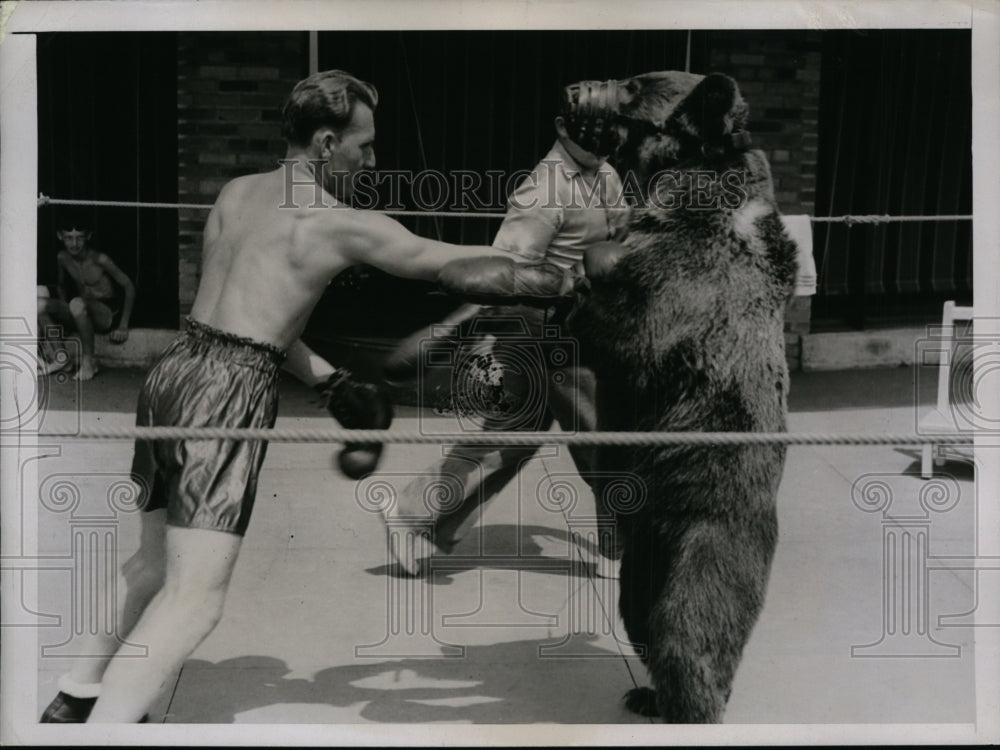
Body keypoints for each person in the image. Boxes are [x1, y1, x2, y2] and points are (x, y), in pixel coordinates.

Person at [38, 69, 520, 724]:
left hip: (173, 375)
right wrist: (561, 273)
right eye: (364, 145)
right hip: (224, 398)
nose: (371, 161)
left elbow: (245, 319)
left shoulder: (236, 193)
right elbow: (443, 260)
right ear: (326, 143)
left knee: (152, 562)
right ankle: (106, 732)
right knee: (196, 599)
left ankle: (76, 694)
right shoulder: (335, 222)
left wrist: (328, 380)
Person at [381, 79, 631, 577]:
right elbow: (509, 270)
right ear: (563, 128)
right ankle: (621, 549)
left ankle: (411, 514)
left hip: (581, 327)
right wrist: (460, 329)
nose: (603, 140)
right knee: (605, 433)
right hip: (550, 330)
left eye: (611, 131)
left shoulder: (602, 172)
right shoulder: (545, 187)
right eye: (594, 131)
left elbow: (620, 231)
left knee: (513, 434)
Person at [39, 221, 136, 380]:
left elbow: (129, 287)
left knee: (77, 303)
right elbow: (61, 286)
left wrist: (123, 326)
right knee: (39, 305)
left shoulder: (100, 259)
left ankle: (89, 362)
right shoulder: (62, 257)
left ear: (88, 236)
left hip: (106, 313)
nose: (74, 243)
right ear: (60, 236)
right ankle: (61, 359)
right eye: (69, 238)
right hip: (81, 309)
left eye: (79, 238)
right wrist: (66, 317)